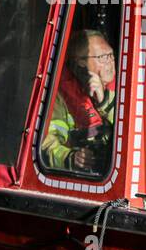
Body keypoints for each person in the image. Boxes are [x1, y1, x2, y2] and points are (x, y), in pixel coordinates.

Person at [42, 29, 117, 175]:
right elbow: (46, 145)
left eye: (111, 55)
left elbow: (134, 131)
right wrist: (71, 158)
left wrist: (104, 102)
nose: (110, 62)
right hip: (84, 178)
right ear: (81, 61)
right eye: (102, 57)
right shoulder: (59, 96)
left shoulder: (127, 87)